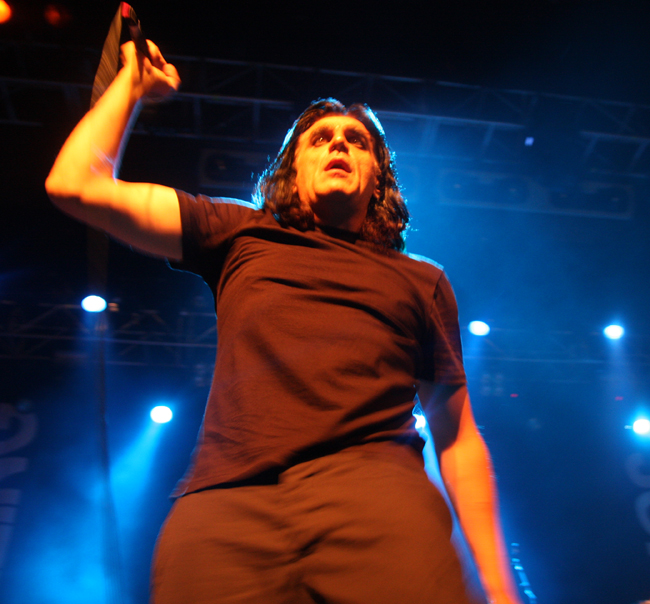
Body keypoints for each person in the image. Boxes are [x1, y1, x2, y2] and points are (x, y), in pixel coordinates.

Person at [46, 40, 523, 604]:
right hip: (226, 504)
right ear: (293, 172)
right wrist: (131, 86)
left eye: (357, 141)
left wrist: (499, 587)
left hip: (376, 493)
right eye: (319, 139)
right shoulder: (237, 232)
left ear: (379, 179)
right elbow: (76, 186)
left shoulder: (422, 280)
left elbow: (458, 434)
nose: (338, 144)